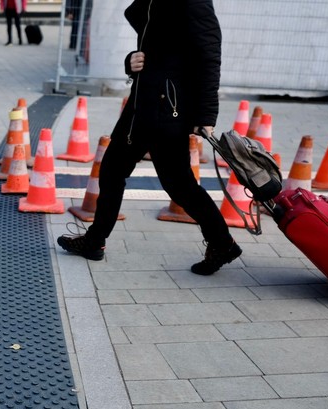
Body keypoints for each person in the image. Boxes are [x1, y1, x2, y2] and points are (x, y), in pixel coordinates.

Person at [57, 0, 242, 276]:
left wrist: (206, 116)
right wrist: (131, 61)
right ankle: (95, 241)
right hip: (142, 104)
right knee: (112, 170)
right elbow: (151, 36)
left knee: (179, 185)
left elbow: (209, 52)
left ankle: (222, 243)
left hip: (166, 108)